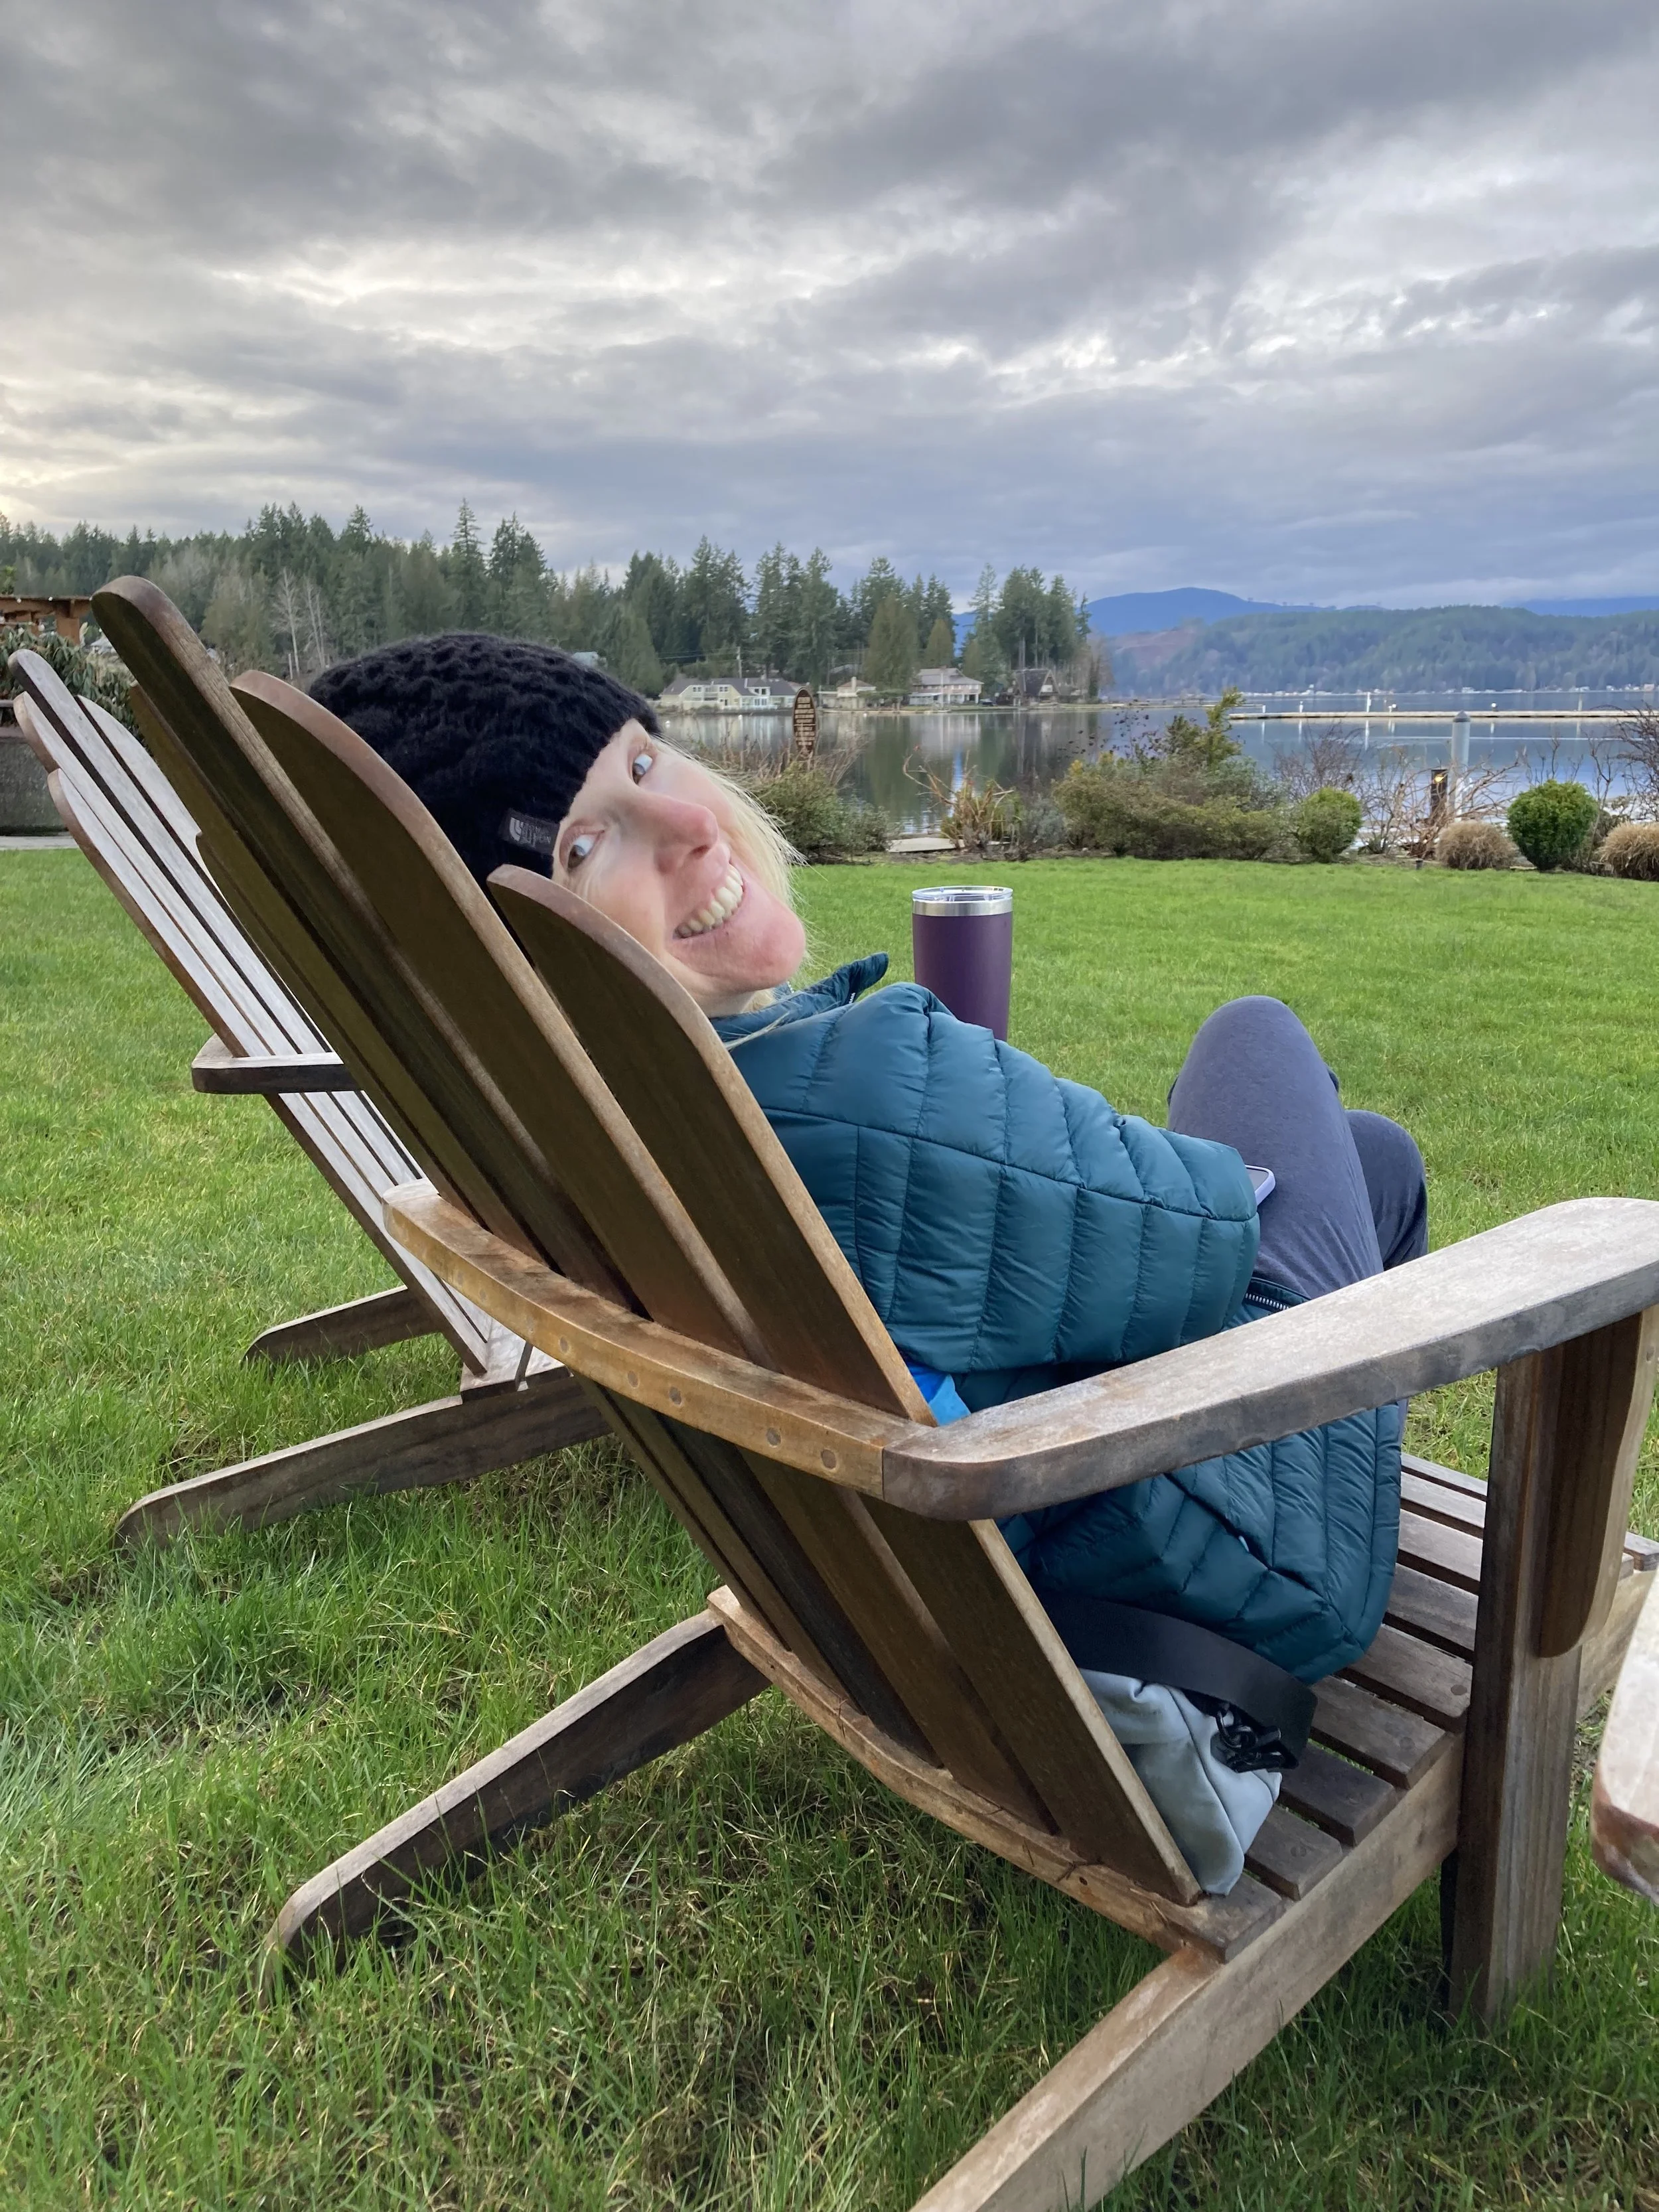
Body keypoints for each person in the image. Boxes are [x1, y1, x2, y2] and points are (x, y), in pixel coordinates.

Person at [313, 634, 1427, 1891]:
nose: (689, 818)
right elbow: (1211, 1243)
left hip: (947, 1572)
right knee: (1268, 1046)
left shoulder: (579, 1138)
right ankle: (1369, 1510)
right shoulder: (846, 1094)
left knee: (1364, 1152)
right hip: (1204, 1577)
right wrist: (1040, 1125)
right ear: (501, 958)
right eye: (585, 845)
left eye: (643, 758)